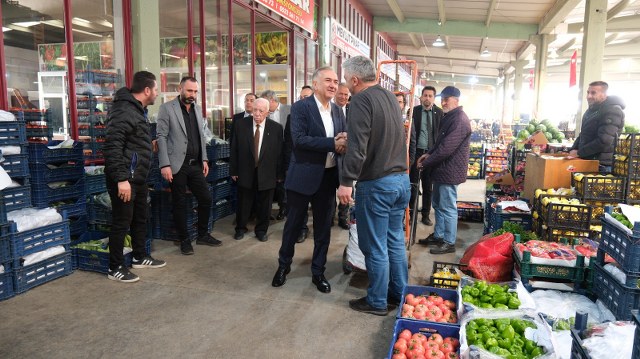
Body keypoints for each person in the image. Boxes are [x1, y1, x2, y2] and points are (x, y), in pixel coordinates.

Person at [336, 56, 410, 316]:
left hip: (377, 184)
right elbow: (384, 134)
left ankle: (377, 301)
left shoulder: (360, 101)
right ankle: (398, 295)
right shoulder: (390, 97)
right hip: (401, 181)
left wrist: (346, 182)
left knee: (375, 246)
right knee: (395, 242)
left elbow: (358, 147)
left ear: (355, 80)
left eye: (346, 80)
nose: (345, 85)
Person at [272, 67, 347, 293]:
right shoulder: (301, 107)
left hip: (328, 178)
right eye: (328, 80)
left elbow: (342, 140)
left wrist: (343, 141)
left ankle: (318, 272)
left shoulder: (338, 111)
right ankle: (283, 266)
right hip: (303, 176)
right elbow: (300, 140)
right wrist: (332, 143)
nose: (333, 85)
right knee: (293, 226)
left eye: (335, 81)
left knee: (324, 229)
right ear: (315, 84)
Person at [103, 71, 166, 283]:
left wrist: (147, 146)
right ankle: (115, 267)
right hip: (124, 180)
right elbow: (113, 147)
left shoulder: (138, 110)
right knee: (122, 222)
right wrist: (122, 179)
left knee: (140, 217)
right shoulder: (123, 110)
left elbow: (131, 143)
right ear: (147, 90)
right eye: (156, 89)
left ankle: (139, 256)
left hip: (137, 177)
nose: (157, 93)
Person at [156, 76, 221, 256]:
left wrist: (205, 159)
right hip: (177, 164)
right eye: (189, 90)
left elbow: (200, 136)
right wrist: (164, 164)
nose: (192, 94)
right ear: (180, 89)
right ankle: (184, 240)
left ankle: (202, 234)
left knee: (206, 198)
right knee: (179, 203)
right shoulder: (167, 108)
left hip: (195, 164)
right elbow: (161, 137)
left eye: (195, 91)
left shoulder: (197, 109)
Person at [417, 86, 471, 255]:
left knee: (447, 207)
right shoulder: (449, 117)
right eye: (443, 98)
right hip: (442, 169)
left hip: (450, 171)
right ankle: (439, 235)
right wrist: (428, 154)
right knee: (438, 205)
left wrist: (427, 162)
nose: (444, 101)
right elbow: (440, 142)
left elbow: (447, 148)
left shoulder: (460, 120)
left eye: (447, 98)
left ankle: (449, 241)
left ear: (456, 100)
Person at [230, 98, 284, 242]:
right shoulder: (241, 125)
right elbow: (234, 148)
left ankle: (261, 230)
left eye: (261, 111)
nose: (257, 114)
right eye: (255, 110)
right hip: (245, 171)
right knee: (243, 203)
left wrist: (279, 174)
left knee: (265, 205)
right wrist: (233, 170)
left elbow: (280, 153)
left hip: (267, 173)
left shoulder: (276, 128)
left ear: (267, 112)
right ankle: (240, 228)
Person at [569, 81, 625, 173]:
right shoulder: (591, 110)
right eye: (588, 92)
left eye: (593, 93)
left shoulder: (612, 111)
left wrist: (579, 153)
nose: (588, 96)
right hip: (589, 161)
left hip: (602, 165)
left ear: (604, 94)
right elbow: (583, 134)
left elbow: (604, 141)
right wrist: (573, 149)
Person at [283, 85, 314, 243]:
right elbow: (288, 143)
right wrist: (289, 166)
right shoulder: (292, 117)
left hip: (316, 167)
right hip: (298, 166)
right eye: (301, 97)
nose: (304, 100)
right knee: (298, 203)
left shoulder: (320, 116)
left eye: (307, 97)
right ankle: (301, 229)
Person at [410, 86, 443, 227]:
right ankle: (411, 214)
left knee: (428, 186)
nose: (427, 98)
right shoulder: (414, 111)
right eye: (425, 95)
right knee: (413, 185)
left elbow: (441, 134)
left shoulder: (439, 113)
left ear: (434, 98)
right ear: (421, 97)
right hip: (416, 152)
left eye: (430, 96)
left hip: (431, 154)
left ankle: (425, 215)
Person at [260, 90, 291, 220]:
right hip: (268, 154)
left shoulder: (289, 110)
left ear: (272, 100)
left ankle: (283, 207)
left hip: (285, 153)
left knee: (282, 183)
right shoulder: (264, 113)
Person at [334, 83, 351, 230]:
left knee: (346, 187)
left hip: (347, 157)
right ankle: (328, 216)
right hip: (330, 154)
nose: (343, 97)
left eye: (346, 94)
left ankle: (343, 217)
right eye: (341, 93)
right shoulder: (329, 110)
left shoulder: (353, 110)